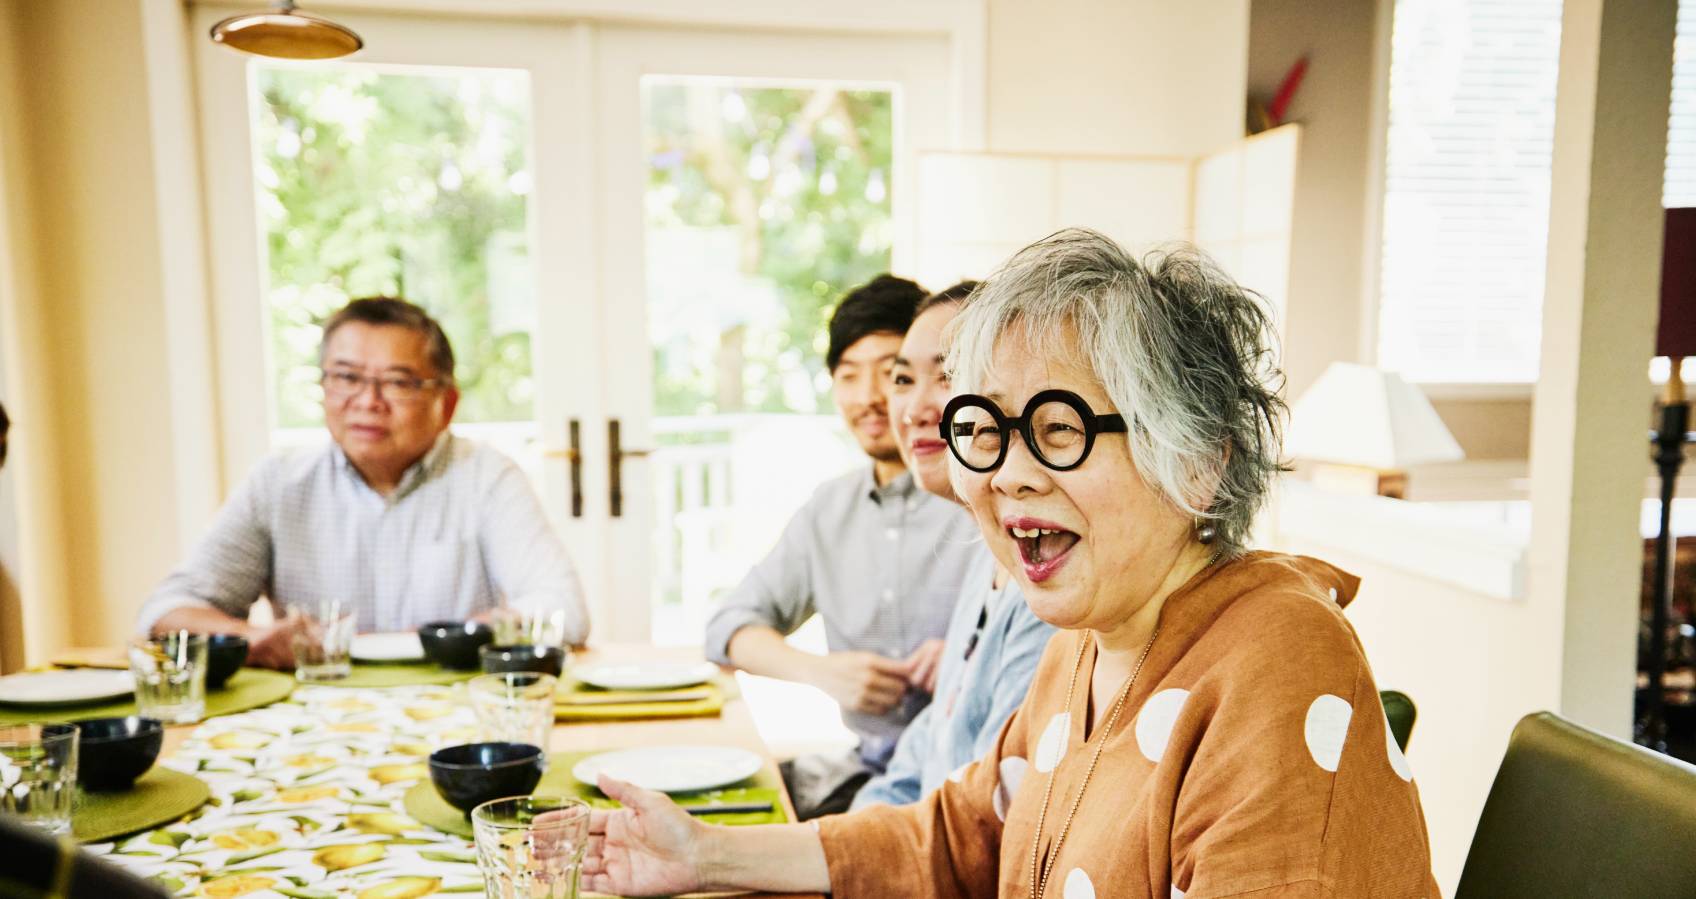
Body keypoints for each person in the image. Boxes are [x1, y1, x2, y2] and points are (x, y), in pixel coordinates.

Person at [581, 230, 1439, 898]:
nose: (1007, 474)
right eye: (985, 429)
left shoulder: (1276, 658)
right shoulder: (1088, 638)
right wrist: (705, 851)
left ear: (1198, 461)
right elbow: (959, 837)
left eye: (1060, 428)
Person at [135, 297, 588, 668]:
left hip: (451, 707)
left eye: (397, 382)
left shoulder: (488, 477)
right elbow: (167, 610)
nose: (367, 402)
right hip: (313, 714)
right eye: (347, 378)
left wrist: (472, 633)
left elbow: (563, 607)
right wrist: (250, 637)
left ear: (446, 404)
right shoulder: (278, 483)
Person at [703, 273, 978, 819]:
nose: (872, 398)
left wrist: (970, 656)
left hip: (959, 780)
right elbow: (725, 630)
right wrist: (822, 673)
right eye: (849, 375)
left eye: (892, 374)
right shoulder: (830, 509)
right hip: (868, 771)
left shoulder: (985, 498)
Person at [851, 281, 1056, 809]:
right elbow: (922, 756)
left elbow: (984, 819)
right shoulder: (988, 554)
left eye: (948, 376)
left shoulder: (1051, 588)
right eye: (903, 379)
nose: (915, 408)